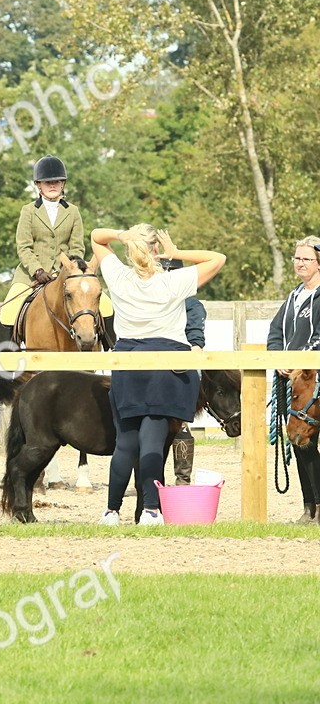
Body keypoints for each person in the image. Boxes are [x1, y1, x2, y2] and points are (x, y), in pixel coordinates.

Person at [92, 225, 225, 526]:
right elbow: (217, 258)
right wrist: (176, 253)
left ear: (129, 248)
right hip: (164, 365)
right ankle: (151, 509)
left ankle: (111, 511)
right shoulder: (174, 280)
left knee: (125, 442)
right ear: (156, 249)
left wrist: (120, 234)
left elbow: (96, 237)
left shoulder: (117, 276)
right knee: (152, 439)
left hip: (127, 363)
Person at [0, 155, 113, 347]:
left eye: (57, 181)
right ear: (38, 185)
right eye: (47, 182)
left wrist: (68, 268)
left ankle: (112, 352)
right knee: (8, 311)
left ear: (63, 184)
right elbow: (24, 246)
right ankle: (7, 364)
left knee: (106, 306)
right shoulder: (28, 211)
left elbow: (77, 246)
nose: (52, 185)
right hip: (31, 276)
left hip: (68, 275)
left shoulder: (73, 211)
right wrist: (37, 270)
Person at [267, 236, 320, 524]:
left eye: (306, 258)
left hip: (315, 382)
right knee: (301, 443)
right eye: (297, 258)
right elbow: (275, 332)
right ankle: (309, 506)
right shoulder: (293, 297)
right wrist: (278, 359)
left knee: (309, 443)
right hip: (294, 385)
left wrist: (299, 360)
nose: (300, 263)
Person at [161, 257, 207, 485]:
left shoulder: (191, 304)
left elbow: (196, 341)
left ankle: (183, 477)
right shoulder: (151, 298)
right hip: (153, 368)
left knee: (181, 424)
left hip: (178, 369)